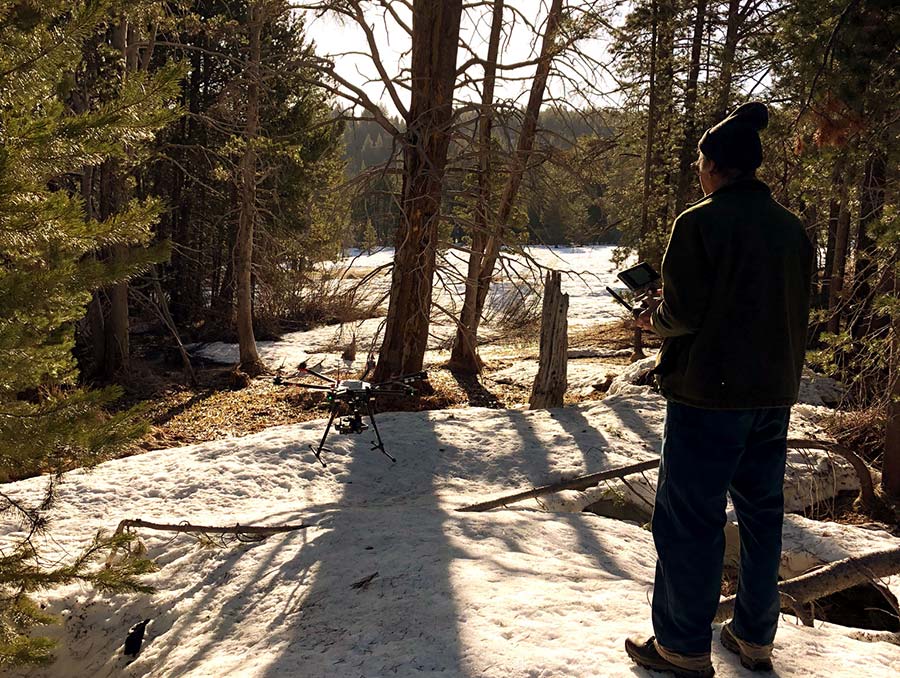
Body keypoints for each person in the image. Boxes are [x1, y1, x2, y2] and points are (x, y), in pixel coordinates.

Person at [624, 102, 814, 677]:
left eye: (702, 162)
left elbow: (681, 314)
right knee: (762, 515)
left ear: (716, 166)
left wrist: (649, 320)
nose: (698, 171)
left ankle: (682, 645)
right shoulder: (792, 229)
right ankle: (755, 637)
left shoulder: (699, 222)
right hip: (772, 393)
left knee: (690, 519)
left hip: (708, 396)